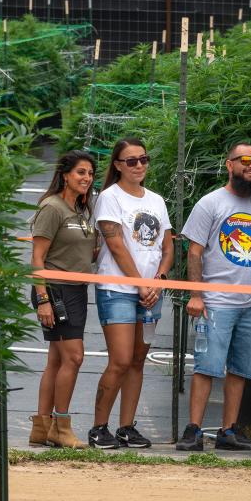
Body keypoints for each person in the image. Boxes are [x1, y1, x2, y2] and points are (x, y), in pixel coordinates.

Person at [175, 143, 251, 451]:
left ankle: (228, 431)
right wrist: (197, 295)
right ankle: (194, 431)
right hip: (216, 302)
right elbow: (194, 252)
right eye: (245, 160)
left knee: (240, 369)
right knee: (206, 367)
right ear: (229, 165)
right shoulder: (210, 203)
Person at [89, 138, 174, 449]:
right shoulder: (109, 198)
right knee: (121, 360)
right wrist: (141, 284)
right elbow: (116, 246)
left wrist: (159, 280)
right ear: (118, 165)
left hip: (152, 290)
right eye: (131, 161)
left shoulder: (157, 200)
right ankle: (99, 427)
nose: (139, 165)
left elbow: (168, 246)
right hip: (117, 289)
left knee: (138, 360)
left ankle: (126, 427)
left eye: (143, 159)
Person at [28, 150, 98, 449]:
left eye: (91, 173)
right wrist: (43, 299)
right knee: (75, 357)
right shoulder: (53, 208)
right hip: (55, 290)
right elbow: (37, 257)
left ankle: (41, 428)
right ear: (66, 174)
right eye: (81, 172)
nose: (87, 178)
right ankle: (61, 426)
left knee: (57, 359)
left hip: (76, 291)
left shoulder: (80, 211)